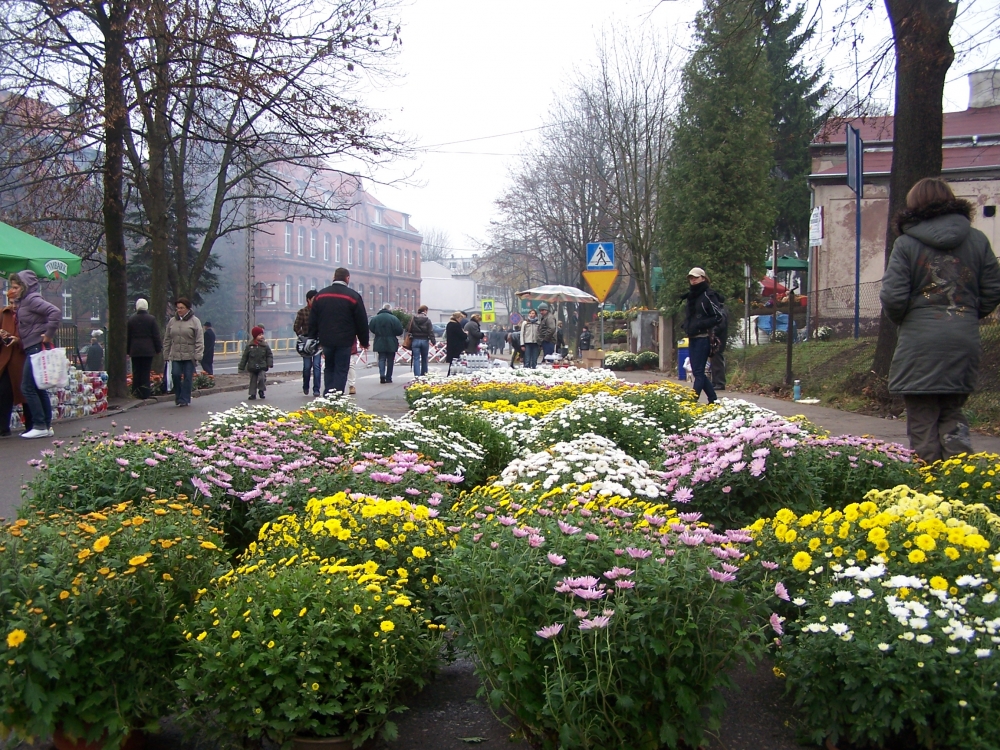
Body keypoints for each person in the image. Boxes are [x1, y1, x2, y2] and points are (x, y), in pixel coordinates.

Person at [880, 177, 1000, 462]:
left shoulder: (907, 244)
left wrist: (908, 319)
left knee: (922, 418)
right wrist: (968, 313)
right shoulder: (978, 240)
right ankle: (959, 481)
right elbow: (993, 289)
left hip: (920, 343)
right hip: (963, 339)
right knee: (952, 412)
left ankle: (928, 485)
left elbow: (894, 296)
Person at [10, 271, 60, 438]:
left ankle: (39, 424)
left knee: (27, 386)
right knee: (38, 386)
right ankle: (45, 425)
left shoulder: (32, 299)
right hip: (31, 346)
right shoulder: (25, 302)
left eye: (16, 287)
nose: (13, 290)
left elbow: (55, 312)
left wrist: (48, 334)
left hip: (35, 346)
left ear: (24, 286)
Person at [308, 267, 370, 395]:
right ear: (347, 278)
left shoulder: (321, 295)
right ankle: (337, 396)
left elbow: (313, 319)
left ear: (334, 277)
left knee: (329, 367)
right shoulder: (353, 296)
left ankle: (328, 394)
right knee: (341, 369)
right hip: (345, 341)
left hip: (326, 340)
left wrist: (311, 337)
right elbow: (361, 321)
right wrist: (364, 341)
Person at [681, 267, 723, 405]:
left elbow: (718, 316)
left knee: (698, 372)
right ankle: (713, 399)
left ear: (703, 278)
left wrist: (700, 324)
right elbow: (691, 316)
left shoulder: (708, 295)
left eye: (696, 278)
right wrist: (686, 325)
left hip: (704, 337)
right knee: (697, 371)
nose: (693, 281)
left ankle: (692, 401)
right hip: (693, 337)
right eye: (691, 278)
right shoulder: (691, 297)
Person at [0, 282, 31, 436]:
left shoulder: (26, 315)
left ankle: (31, 425)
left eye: (16, 302)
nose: (13, 306)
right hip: (6, 360)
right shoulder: (3, 314)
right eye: (11, 302)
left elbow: (32, 336)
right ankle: (3, 427)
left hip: (21, 359)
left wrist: (17, 339)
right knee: (3, 393)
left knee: (26, 393)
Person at [162, 297, 204, 407]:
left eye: (182, 308)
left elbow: (199, 339)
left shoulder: (195, 321)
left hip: (190, 355)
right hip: (175, 354)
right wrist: (166, 354)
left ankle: (184, 399)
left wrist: (198, 355)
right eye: (177, 308)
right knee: (175, 375)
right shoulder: (172, 321)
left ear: (187, 309)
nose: (179, 310)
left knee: (187, 377)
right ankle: (178, 395)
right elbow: (167, 339)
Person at [127, 298, 162, 400]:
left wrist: (128, 350)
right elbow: (156, 335)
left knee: (136, 371)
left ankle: (135, 391)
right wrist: (158, 348)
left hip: (135, 350)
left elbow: (128, 336)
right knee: (146, 371)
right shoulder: (151, 319)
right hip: (148, 350)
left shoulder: (131, 319)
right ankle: (145, 392)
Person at [294, 289, 322, 396]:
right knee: (307, 367)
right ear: (308, 300)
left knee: (317, 366)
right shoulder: (302, 312)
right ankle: (306, 386)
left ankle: (316, 389)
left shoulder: (321, 312)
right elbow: (296, 327)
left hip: (318, 343)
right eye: (314, 299)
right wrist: (303, 337)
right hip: (306, 344)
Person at [369, 303, 404, 384]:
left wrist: (378, 333)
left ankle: (382, 375)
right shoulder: (394, 318)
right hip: (391, 341)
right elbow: (400, 331)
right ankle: (388, 378)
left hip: (379, 340)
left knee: (381, 358)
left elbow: (371, 328)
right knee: (390, 360)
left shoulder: (375, 318)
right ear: (390, 309)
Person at [239, 326, 273, 400]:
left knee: (262, 378)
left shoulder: (265, 345)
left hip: (262, 366)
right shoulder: (249, 346)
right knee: (253, 380)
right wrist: (241, 367)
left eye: (262, 334)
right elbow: (245, 357)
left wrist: (269, 363)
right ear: (255, 336)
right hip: (252, 366)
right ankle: (252, 394)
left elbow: (269, 355)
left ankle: (261, 390)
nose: (261, 336)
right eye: (259, 335)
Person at [407, 305, 436, 377]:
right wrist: (433, 341)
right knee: (424, 358)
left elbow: (408, 329)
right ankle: (424, 374)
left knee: (416, 358)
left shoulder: (413, 319)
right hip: (425, 340)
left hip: (415, 340)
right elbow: (431, 331)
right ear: (425, 310)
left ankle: (417, 375)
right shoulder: (427, 320)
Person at [709, 292, 729, 391]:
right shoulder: (719, 310)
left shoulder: (720, 312)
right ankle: (715, 381)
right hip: (717, 339)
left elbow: (720, 325)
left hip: (718, 340)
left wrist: (712, 331)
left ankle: (719, 382)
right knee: (714, 360)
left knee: (717, 360)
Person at [445, 310, 468, 375]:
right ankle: (453, 375)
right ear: (458, 318)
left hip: (451, 345)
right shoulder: (456, 325)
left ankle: (450, 374)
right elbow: (462, 336)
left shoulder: (449, 324)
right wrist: (466, 334)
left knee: (452, 363)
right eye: (460, 318)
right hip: (457, 346)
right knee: (456, 362)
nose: (461, 320)